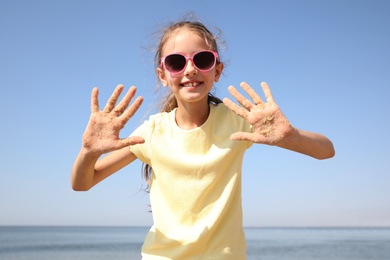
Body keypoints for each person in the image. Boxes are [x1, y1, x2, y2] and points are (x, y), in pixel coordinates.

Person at [71, 20, 335, 259]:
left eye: (203, 60)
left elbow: (326, 151)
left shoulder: (236, 121)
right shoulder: (152, 132)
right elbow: (83, 183)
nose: (190, 70)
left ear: (217, 71)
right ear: (162, 75)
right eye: (176, 62)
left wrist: (291, 137)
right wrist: (88, 151)